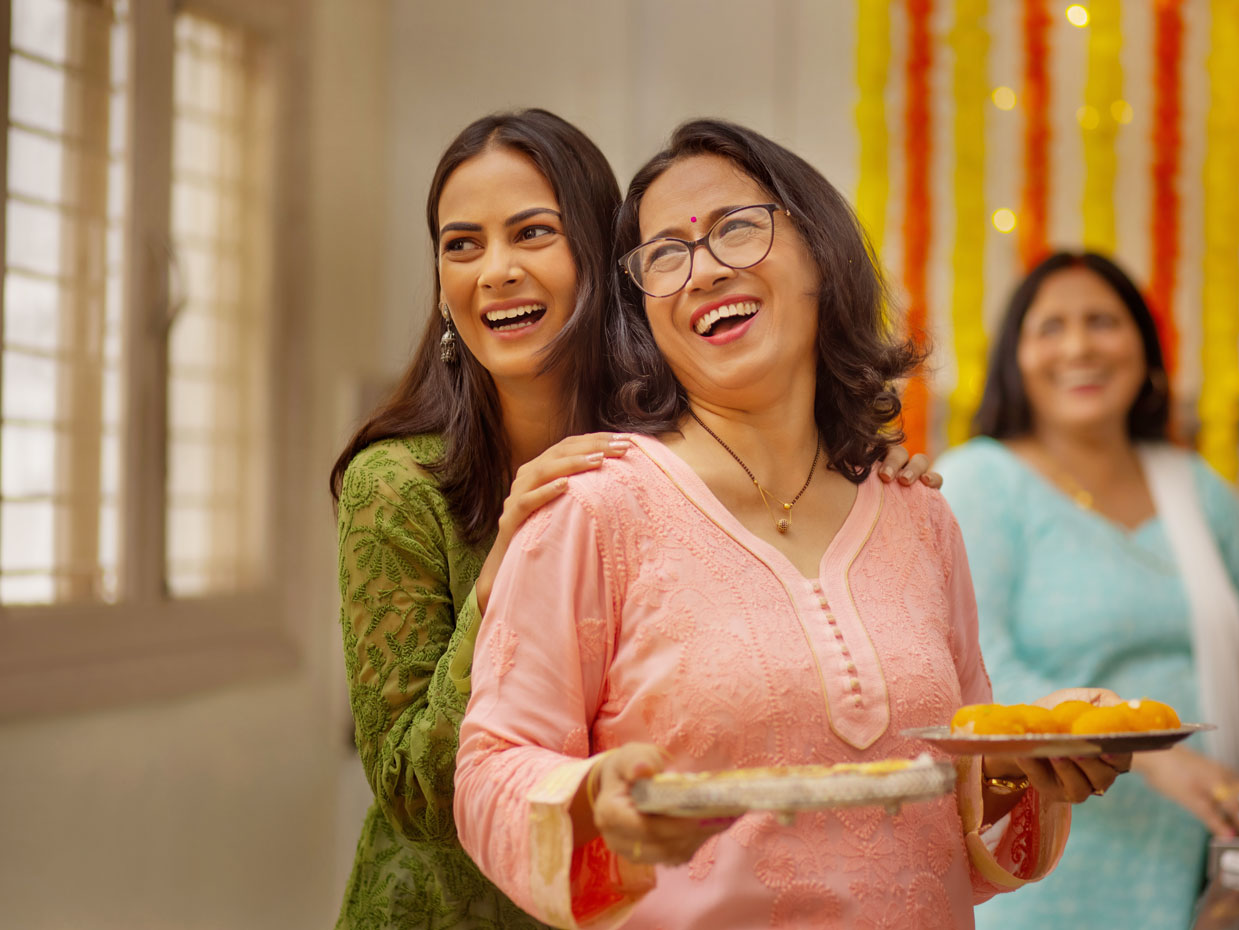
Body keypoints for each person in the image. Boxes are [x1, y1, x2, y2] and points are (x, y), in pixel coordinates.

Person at [454, 120, 1126, 930]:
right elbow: (490, 769)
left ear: (819, 255)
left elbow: (953, 802)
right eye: (666, 254)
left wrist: (1033, 766)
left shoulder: (920, 518)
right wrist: (596, 807)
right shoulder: (591, 509)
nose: (703, 270)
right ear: (645, 313)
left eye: (738, 227)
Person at [328, 109, 937, 930]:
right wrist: (508, 555)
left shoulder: (657, 465)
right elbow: (413, 790)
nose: (496, 271)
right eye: (461, 245)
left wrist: (857, 475)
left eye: (532, 233)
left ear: (603, 263)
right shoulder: (399, 486)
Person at [934, 251, 1239, 930]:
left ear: (1144, 347)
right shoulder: (980, 483)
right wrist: (1150, 752)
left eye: (1102, 321)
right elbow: (983, 677)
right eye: (1051, 328)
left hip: (1198, 865)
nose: (1079, 346)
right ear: (1015, 358)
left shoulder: (1189, 485)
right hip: (1051, 871)